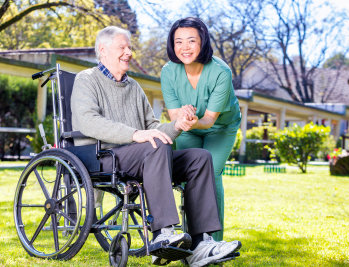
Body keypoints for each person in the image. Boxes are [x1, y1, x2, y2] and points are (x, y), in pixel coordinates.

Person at [71, 26, 241, 267]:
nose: (128, 52)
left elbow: (153, 126)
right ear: (103, 50)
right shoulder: (87, 79)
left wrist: (178, 125)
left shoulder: (133, 87)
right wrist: (136, 134)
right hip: (102, 155)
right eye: (122, 47)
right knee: (154, 145)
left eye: (129, 47)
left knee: (200, 158)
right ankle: (163, 233)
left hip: (142, 154)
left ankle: (200, 242)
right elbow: (88, 121)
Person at [161, 17, 241, 241]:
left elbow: (208, 120)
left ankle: (214, 242)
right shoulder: (168, 72)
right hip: (190, 129)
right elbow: (175, 117)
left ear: (203, 42)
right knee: (189, 176)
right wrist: (185, 119)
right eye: (178, 42)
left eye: (191, 41)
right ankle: (194, 239)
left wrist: (192, 119)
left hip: (220, 128)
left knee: (211, 174)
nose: (184, 47)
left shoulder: (220, 72)